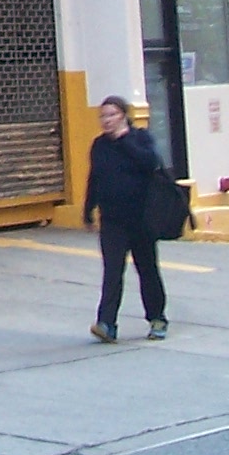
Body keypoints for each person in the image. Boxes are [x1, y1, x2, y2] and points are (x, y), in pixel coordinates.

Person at [81, 97, 170, 344]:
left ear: (123, 115)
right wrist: (88, 209)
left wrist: (124, 139)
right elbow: (94, 178)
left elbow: (150, 162)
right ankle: (106, 323)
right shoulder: (99, 145)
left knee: (147, 269)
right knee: (112, 271)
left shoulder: (140, 138)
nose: (106, 121)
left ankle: (157, 318)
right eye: (103, 116)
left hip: (141, 218)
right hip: (112, 219)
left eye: (111, 115)